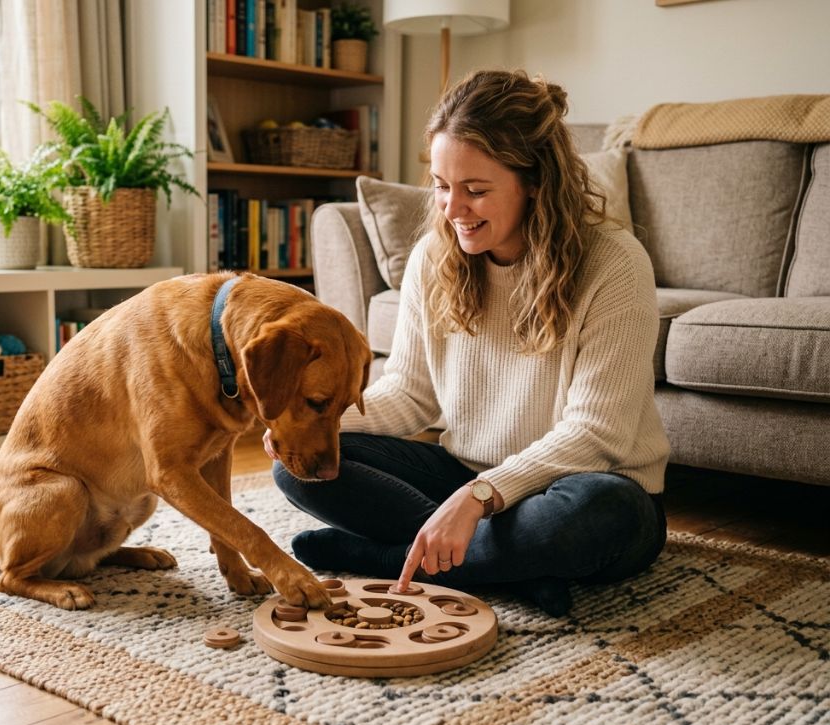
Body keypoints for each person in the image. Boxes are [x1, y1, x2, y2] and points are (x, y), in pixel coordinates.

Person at [266, 69, 670, 616]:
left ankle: (385, 558)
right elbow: (409, 396)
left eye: (475, 190)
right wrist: (310, 424)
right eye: (440, 185)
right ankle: (508, 569)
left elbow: (598, 432)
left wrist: (481, 497)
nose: (452, 210)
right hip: (464, 475)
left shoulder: (614, 263)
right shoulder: (434, 259)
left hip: (583, 487)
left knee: (600, 513)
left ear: (535, 182)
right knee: (303, 463)